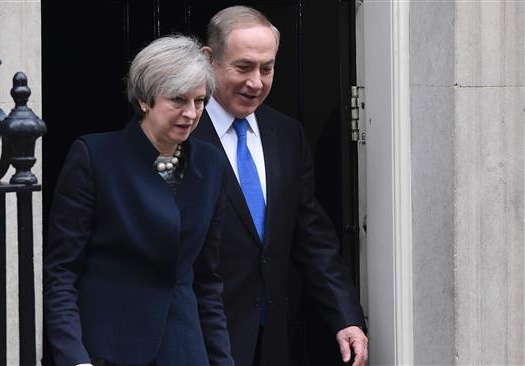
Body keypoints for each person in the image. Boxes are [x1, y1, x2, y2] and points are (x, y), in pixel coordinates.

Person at [192, 6, 369, 366]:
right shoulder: (181, 133)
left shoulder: (287, 135)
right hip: (197, 338)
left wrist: (346, 316)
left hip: (271, 339)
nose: (256, 82)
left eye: (267, 68)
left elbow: (312, 237)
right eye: (243, 67)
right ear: (209, 60)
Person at [45, 35, 234, 366]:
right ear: (145, 100)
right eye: (178, 99)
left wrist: (222, 360)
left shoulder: (212, 164)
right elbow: (61, 270)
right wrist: (74, 356)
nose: (191, 113)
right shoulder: (94, 156)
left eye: (200, 101)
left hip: (184, 349)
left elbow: (207, 281)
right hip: (108, 349)